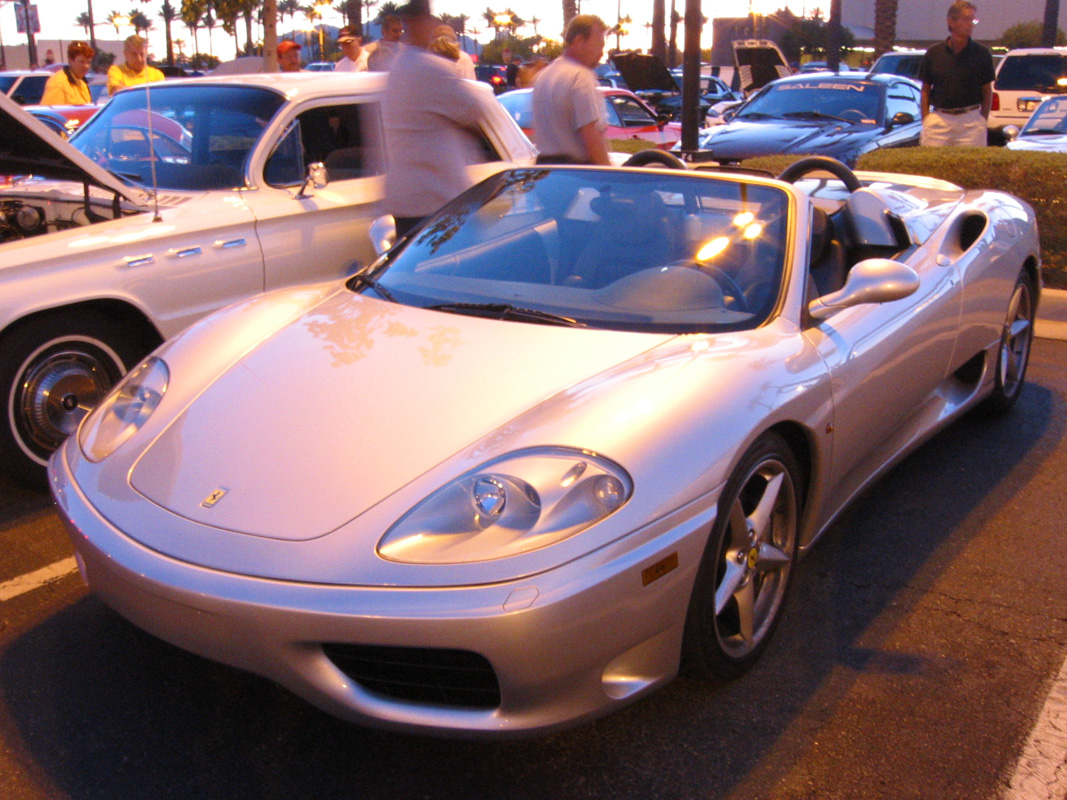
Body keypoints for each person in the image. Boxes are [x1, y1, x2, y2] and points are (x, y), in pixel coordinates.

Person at [382, 0, 500, 237]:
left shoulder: (395, 68)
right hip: (437, 199)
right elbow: (476, 111)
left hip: (405, 197)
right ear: (422, 23)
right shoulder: (432, 68)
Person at [530, 15, 611, 165]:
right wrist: (611, 179)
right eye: (599, 45)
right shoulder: (581, 76)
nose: (601, 54)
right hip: (576, 175)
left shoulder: (542, 77)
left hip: (545, 173)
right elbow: (592, 138)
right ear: (580, 41)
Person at [917, 0, 995, 147]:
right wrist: (926, 120)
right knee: (932, 167)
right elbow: (925, 90)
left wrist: (982, 120)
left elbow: (987, 91)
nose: (970, 24)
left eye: (973, 20)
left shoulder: (982, 54)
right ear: (951, 22)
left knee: (970, 167)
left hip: (970, 122)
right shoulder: (934, 53)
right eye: (966, 19)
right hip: (939, 120)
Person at [41, 41, 94, 105]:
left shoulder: (83, 84)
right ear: (70, 61)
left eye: (88, 62)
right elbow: (50, 112)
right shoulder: (58, 83)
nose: (86, 66)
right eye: (82, 62)